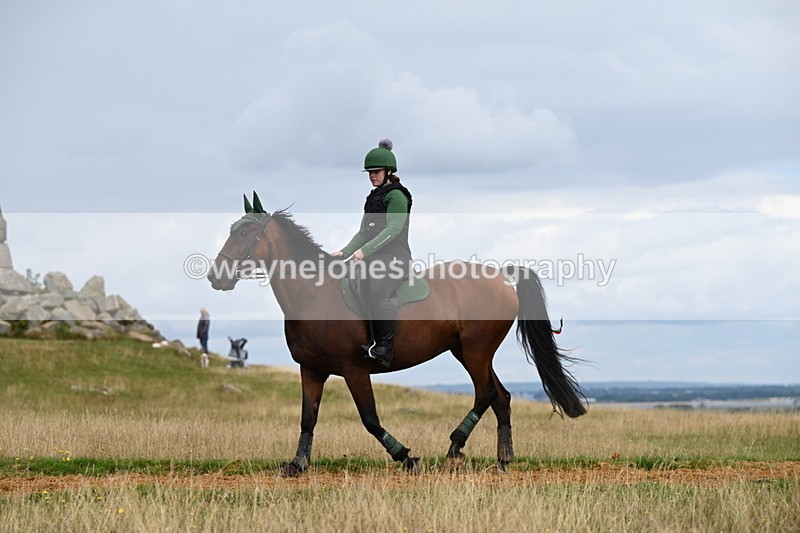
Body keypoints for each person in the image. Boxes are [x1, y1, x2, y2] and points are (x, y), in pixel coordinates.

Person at [331, 139, 413, 367]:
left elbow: (394, 229)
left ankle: (385, 346)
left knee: (376, 286)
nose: (372, 176)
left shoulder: (397, 196)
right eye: (369, 172)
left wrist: (364, 252)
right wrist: (344, 252)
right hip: (374, 257)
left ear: (388, 172)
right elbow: (363, 233)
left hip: (396, 258)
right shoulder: (373, 198)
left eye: (376, 171)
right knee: (352, 279)